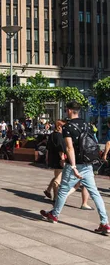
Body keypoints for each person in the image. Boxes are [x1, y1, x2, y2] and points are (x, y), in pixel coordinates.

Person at [41, 100, 110, 235]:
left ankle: (54, 214)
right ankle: (105, 223)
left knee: (62, 190)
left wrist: (73, 166)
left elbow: (69, 148)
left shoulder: (67, 127)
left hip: (75, 164)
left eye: (66, 109)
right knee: (95, 193)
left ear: (69, 110)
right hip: (87, 163)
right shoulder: (86, 124)